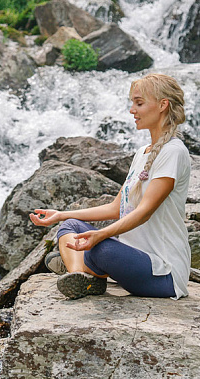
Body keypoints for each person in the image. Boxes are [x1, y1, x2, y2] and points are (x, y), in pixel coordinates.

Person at [29, 73, 191, 300]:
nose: (132, 110)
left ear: (163, 105)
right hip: (132, 258)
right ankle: (78, 278)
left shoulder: (174, 152)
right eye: (132, 103)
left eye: (139, 103)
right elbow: (117, 207)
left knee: (102, 248)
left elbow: (144, 212)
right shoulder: (141, 154)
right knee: (71, 226)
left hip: (163, 272)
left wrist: (101, 234)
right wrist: (60, 215)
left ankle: (85, 266)